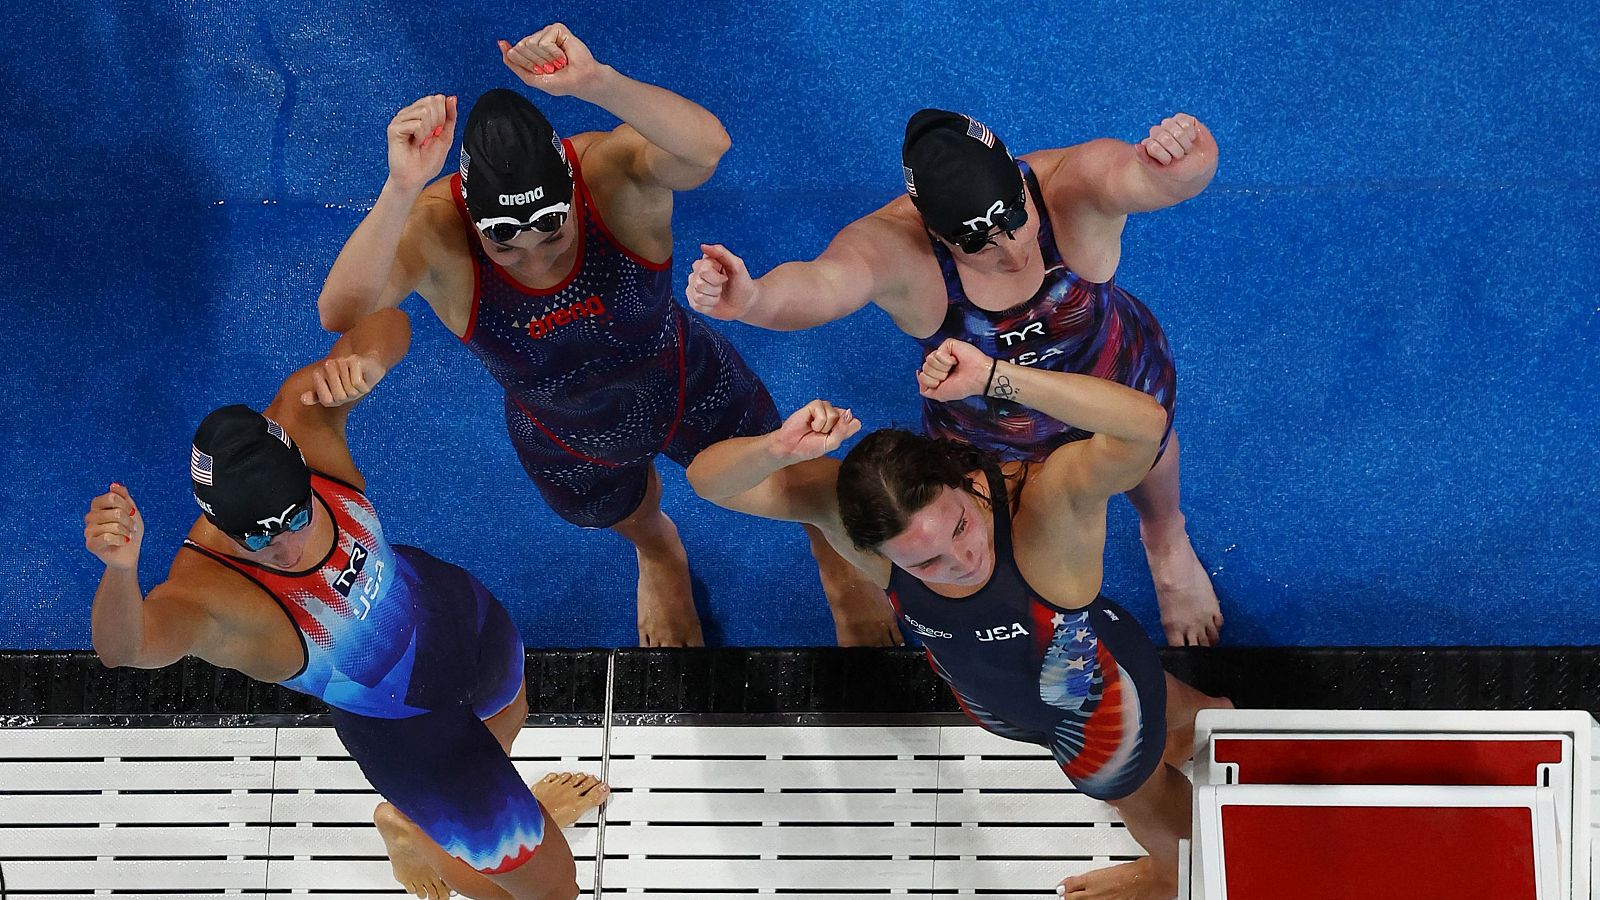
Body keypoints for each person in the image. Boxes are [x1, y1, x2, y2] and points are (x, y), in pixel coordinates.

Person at [316, 23, 894, 647]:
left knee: (797, 480)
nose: (534, 258)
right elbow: (342, 311)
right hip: (566, 432)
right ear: (472, 220)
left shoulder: (610, 175)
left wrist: (598, 81)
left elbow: (706, 149)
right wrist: (400, 188)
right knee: (621, 513)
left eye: (553, 234)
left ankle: (834, 554)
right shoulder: (434, 228)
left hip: (688, 383)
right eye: (505, 245)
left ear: (572, 194)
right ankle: (659, 552)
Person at [82, 309, 606, 900]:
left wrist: (367, 362)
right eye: (256, 536)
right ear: (215, 523)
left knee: (508, 713)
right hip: (411, 735)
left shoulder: (306, 422)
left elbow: (387, 323)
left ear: (302, 473)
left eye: (295, 517)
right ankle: (422, 834)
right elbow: (126, 648)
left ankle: (430, 821)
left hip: (464, 619)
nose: (286, 546)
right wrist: (121, 574)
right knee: (551, 891)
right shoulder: (209, 592)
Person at [685, 338, 1230, 899]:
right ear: (870, 548)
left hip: (1096, 710)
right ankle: (1207, 718)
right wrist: (776, 448)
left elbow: (1145, 423)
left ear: (957, 478)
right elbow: (708, 482)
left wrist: (998, 376)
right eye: (925, 562)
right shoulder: (847, 518)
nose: (962, 560)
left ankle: (1173, 872)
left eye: (962, 525)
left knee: (1135, 797)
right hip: (1015, 695)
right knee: (1157, 704)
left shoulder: (1042, 508)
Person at [685, 108, 1222, 646]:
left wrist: (1180, 166)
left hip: (1112, 371)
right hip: (987, 426)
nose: (1012, 251)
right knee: (1001, 541)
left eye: (1016, 220)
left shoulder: (1069, 184)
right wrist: (753, 300)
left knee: (1148, 451)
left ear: (1019, 179)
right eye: (980, 244)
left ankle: (1165, 535)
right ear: (937, 235)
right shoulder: (900, 246)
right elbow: (824, 283)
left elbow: (1145, 179)